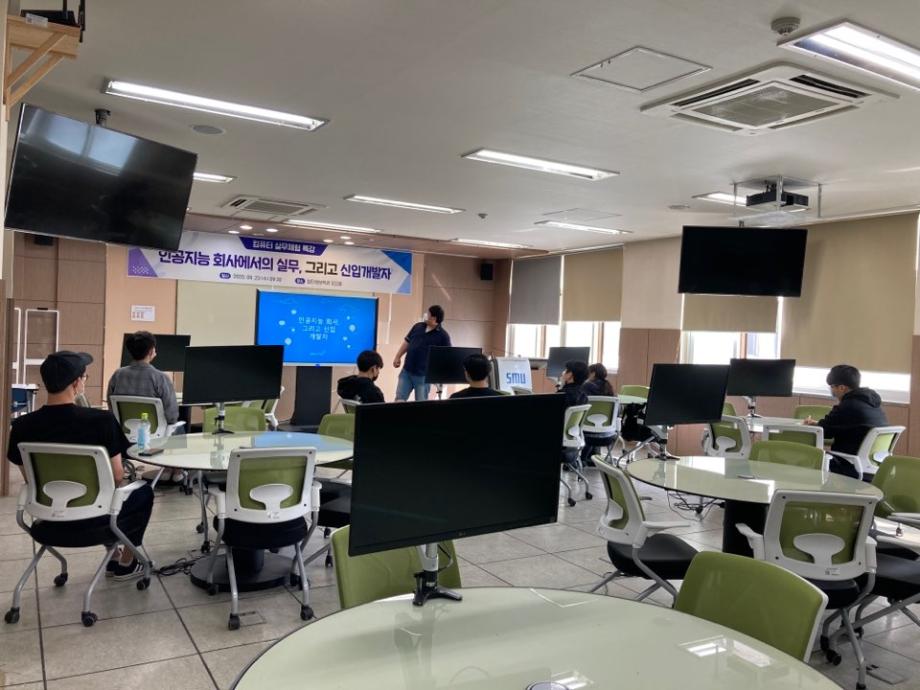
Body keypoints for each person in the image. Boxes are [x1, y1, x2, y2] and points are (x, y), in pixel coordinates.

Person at [7, 351, 154, 580]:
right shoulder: (101, 421)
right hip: (98, 522)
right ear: (77, 383)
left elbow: (30, 479)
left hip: (48, 523)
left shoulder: (21, 426)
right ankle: (127, 561)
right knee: (141, 492)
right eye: (85, 376)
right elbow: (117, 476)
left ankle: (114, 554)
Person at [803, 364, 888, 478]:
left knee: (805, 457)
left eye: (832, 386)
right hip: (872, 467)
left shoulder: (848, 406)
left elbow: (825, 432)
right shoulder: (873, 404)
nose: (831, 390)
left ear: (842, 388)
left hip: (848, 465)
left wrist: (815, 425)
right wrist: (818, 424)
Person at [107, 331, 179, 427]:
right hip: (155, 434)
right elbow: (172, 416)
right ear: (151, 352)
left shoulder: (117, 375)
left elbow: (111, 407)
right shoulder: (161, 378)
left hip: (123, 432)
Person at [392, 305, 451, 401]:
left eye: (428, 314)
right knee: (399, 399)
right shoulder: (418, 326)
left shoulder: (443, 336)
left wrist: (437, 373)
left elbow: (447, 355)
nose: (425, 315)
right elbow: (407, 342)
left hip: (423, 377)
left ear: (433, 318)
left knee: (421, 403)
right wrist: (397, 356)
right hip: (407, 371)